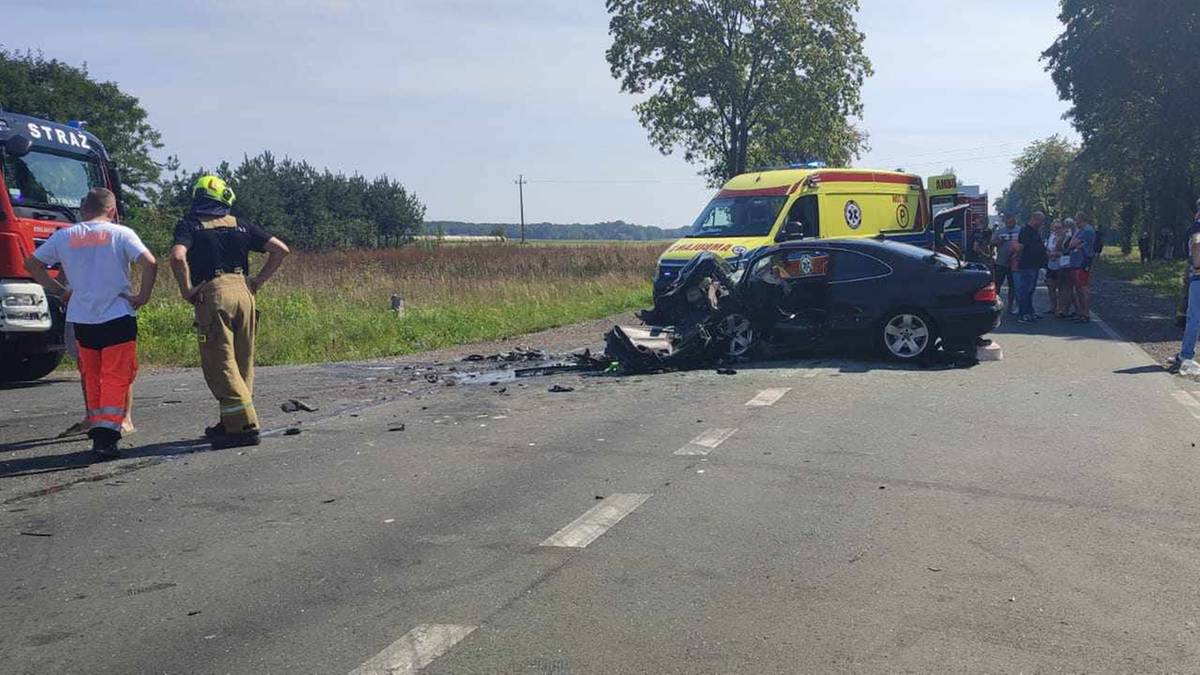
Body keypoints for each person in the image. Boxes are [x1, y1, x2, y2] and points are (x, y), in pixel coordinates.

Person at [23, 188, 157, 457]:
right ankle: (107, 437)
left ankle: (97, 427)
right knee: (116, 377)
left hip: (83, 318)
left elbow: (32, 264)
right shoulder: (121, 233)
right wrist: (141, 296)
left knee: (93, 376)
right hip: (117, 315)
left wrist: (60, 290)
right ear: (111, 209)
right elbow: (149, 262)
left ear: (84, 209)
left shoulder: (65, 236)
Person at [170, 175, 290, 449]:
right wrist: (257, 282)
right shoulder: (241, 225)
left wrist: (187, 289)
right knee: (242, 361)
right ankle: (229, 422)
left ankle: (244, 427)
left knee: (220, 361)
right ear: (226, 198)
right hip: (244, 293)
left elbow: (177, 257)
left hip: (214, 294)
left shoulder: (190, 226)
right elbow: (281, 250)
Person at [1171, 200, 1200, 375]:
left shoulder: (1197, 227)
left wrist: (1197, 266)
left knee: (1194, 317)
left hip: (1198, 276)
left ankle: (1186, 354)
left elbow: (1197, 244)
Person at [1014, 212, 1048, 323]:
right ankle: (1023, 314)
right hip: (1026, 264)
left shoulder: (1035, 231)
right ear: (1034, 219)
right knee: (1025, 290)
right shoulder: (1025, 231)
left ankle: (1030, 312)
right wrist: (1017, 260)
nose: (1041, 223)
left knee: (1030, 290)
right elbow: (1020, 247)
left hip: (1034, 265)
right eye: (1040, 221)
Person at [1068, 212, 1097, 323]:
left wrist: (1074, 240)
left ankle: (1085, 313)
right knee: (1078, 288)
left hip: (1083, 262)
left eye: (1076, 220)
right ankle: (1080, 312)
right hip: (1076, 262)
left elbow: (1071, 244)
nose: (1075, 222)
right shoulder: (1081, 230)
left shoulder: (1086, 231)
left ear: (1080, 219)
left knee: (1082, 288)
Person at [991, 215, 1021, 314]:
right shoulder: (1000, 231)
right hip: (1001, 262)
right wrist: (1000, 241)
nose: (1009, 224)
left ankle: (1010, 306)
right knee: (997, 284)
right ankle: (995, 303)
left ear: (1015, 221)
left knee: (1013, 285)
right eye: (1008, 223)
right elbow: (992, 242)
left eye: (1011, 222)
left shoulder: (1020, 230)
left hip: (1015, 262)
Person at [1044, 218, 1065, 314]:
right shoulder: (1051, 236)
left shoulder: (1065, 237)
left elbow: (1066, 251)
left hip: (1061, 265)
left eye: (1059, 227)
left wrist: (1056, 254)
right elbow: (1047, 248)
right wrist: (1049, 254)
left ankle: (1060, 308)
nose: (1057, 229)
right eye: (1055, 227)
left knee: (1061, 287)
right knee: (1050, 286)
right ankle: (1053, 307)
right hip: (1050, 264)